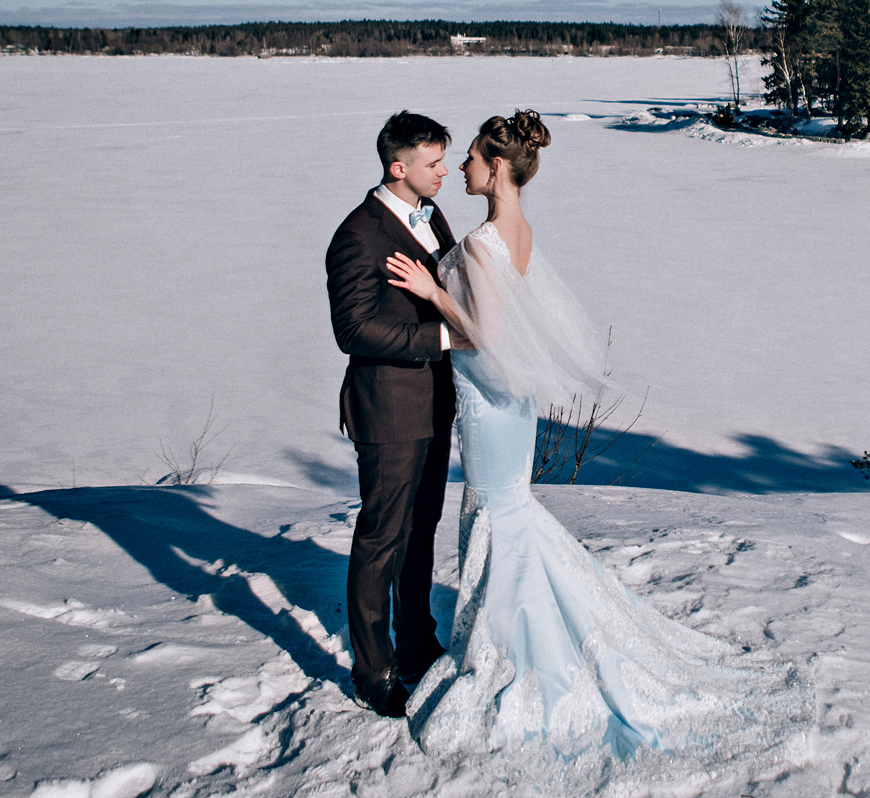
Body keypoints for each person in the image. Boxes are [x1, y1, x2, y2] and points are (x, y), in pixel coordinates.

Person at [385, 110, 812, 789]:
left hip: (492, 403)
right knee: (511, 516)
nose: (461, 168)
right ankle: (528, 636)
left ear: (496, 168)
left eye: (470, 157)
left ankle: (518, 658)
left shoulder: (478, 244)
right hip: (510, 405)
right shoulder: (518, 232)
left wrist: (433, 291)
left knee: (499, 516)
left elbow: (488, 338)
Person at [325, 110, 468, 719]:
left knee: (423, 527)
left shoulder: (431, 215)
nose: (445, 173)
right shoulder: (357, 235)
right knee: (381, 536)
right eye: (434, 163)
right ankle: (374, 668)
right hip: (387, 410)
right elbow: (352, 329)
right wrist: (442, 340)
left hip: (436, 403)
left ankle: (416, 640)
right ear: (398, 167)